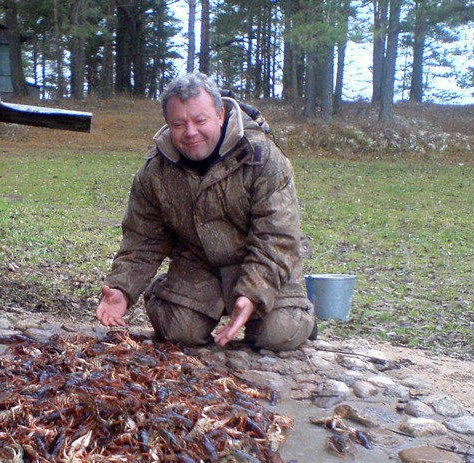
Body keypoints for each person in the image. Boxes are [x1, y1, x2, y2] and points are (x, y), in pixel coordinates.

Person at [96, 72, 315, 351]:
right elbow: (143, 239)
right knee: (179, 332)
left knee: (277, 334)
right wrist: (122, 289)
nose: (190, 132)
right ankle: (167, 292)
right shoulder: (154, 172)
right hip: (198, 263)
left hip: (260, 260)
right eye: (178, 124)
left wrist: (252, 293)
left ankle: (301, 313)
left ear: (220, 115)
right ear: (168, 124)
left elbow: (277, 239)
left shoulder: (263, 158)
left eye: (200, 121)